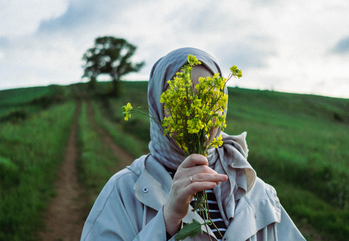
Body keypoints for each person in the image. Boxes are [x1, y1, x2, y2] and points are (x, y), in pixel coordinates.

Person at [80, 47, 306, 241]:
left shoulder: (257, 190)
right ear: (158, 109)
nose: (196, 114)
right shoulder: (121, 191)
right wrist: (167, 223)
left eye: (208, 98)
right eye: (181, 101)